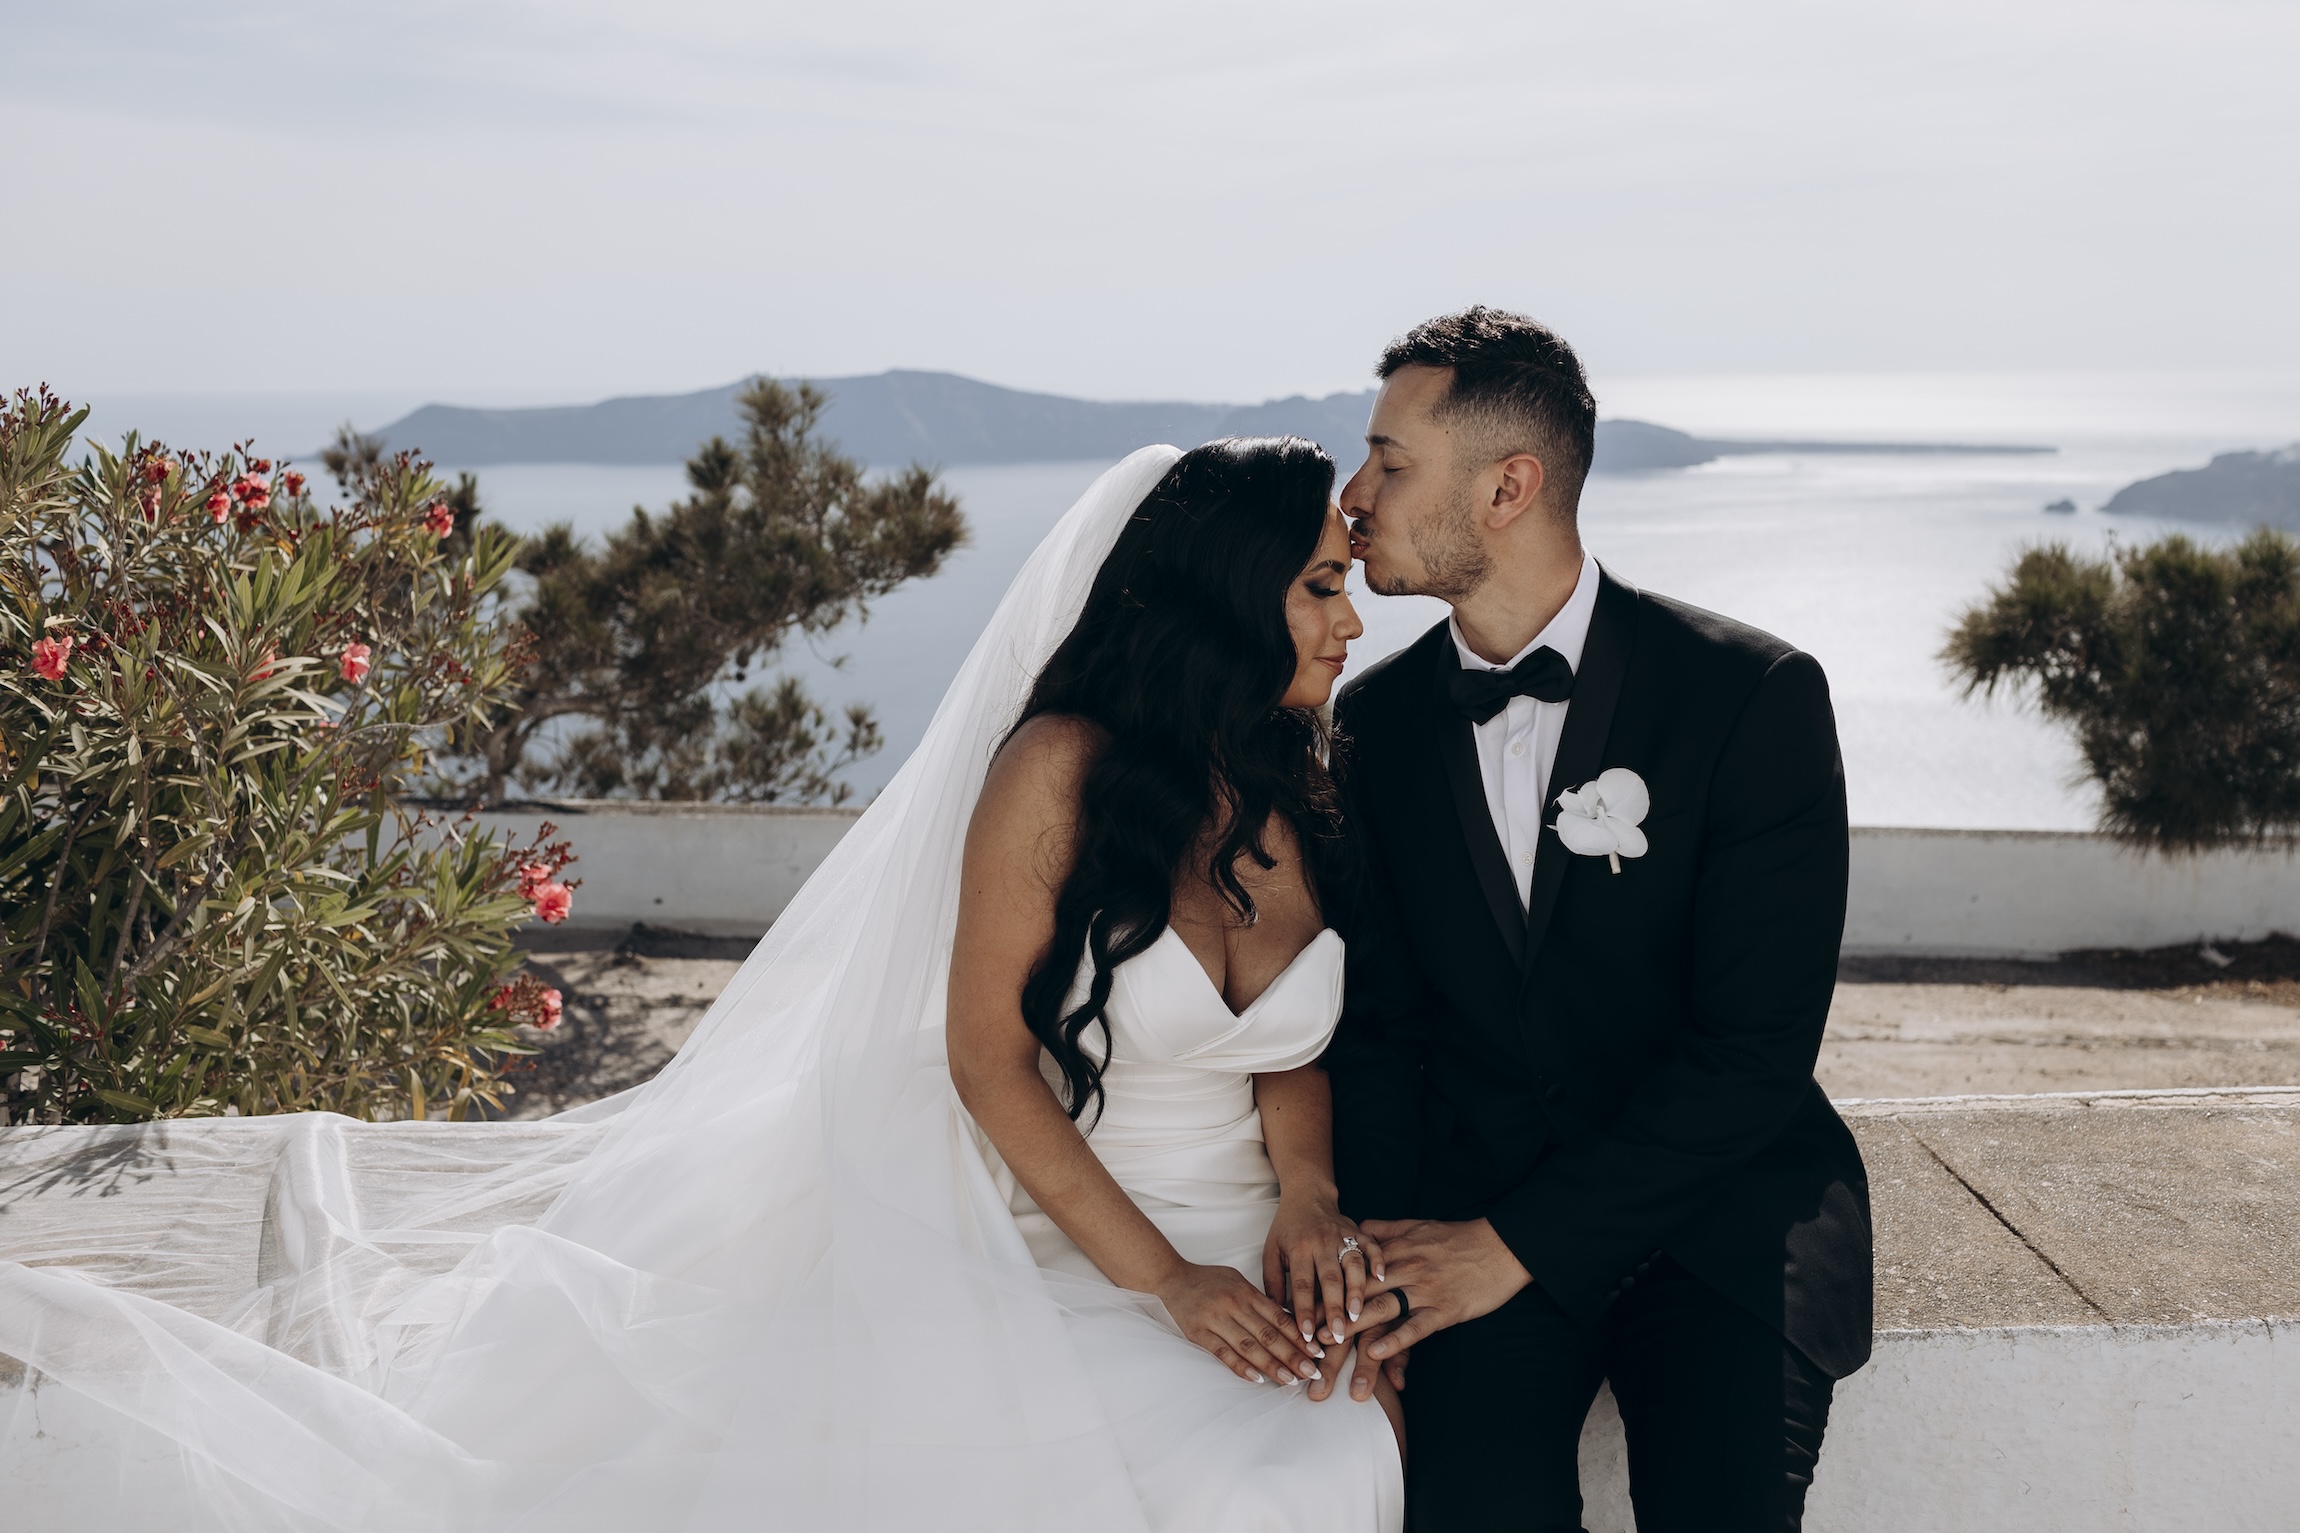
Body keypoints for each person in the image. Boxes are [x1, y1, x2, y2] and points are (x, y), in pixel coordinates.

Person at [0, 438, 1404, 1531]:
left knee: (1331, 1465)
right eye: (1320, 587)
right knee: (1210, 1497)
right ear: (1228, 602)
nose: (1350, 621)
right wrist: (1166, 1283)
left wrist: (1307, 1197)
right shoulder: (1059, 773)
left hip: (1258, 1255)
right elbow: (986, 1059)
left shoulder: (1291, 775)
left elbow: (1280, 1043)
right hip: (1077, 1250)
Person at [1324, 306, 1873, 1532]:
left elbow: (1753, 1053)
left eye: (1389, 463)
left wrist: (1513, 1244)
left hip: (1718, 1218)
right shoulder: (1371, 731)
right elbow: (1377, 1033)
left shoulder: (1751, 698)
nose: (1353, 495)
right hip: (1468, 1217)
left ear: (1508, 486)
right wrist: (1378, 1264)